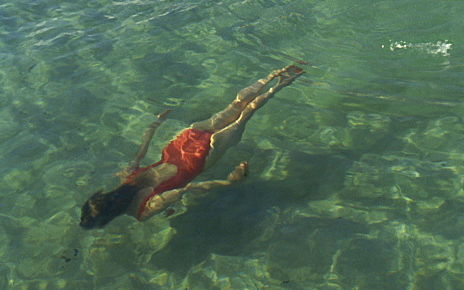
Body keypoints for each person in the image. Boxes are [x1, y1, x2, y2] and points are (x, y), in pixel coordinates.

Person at [80, 63, 305, 229]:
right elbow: (142, 150)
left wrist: (229, 181)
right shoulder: (126, 177)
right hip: (180, 144)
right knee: (235, 106)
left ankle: (283, 83)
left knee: (246, 115)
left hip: (199, 160)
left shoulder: (144, 211)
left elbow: (188, 188)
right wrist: (154, 125)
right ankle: (273, 74)